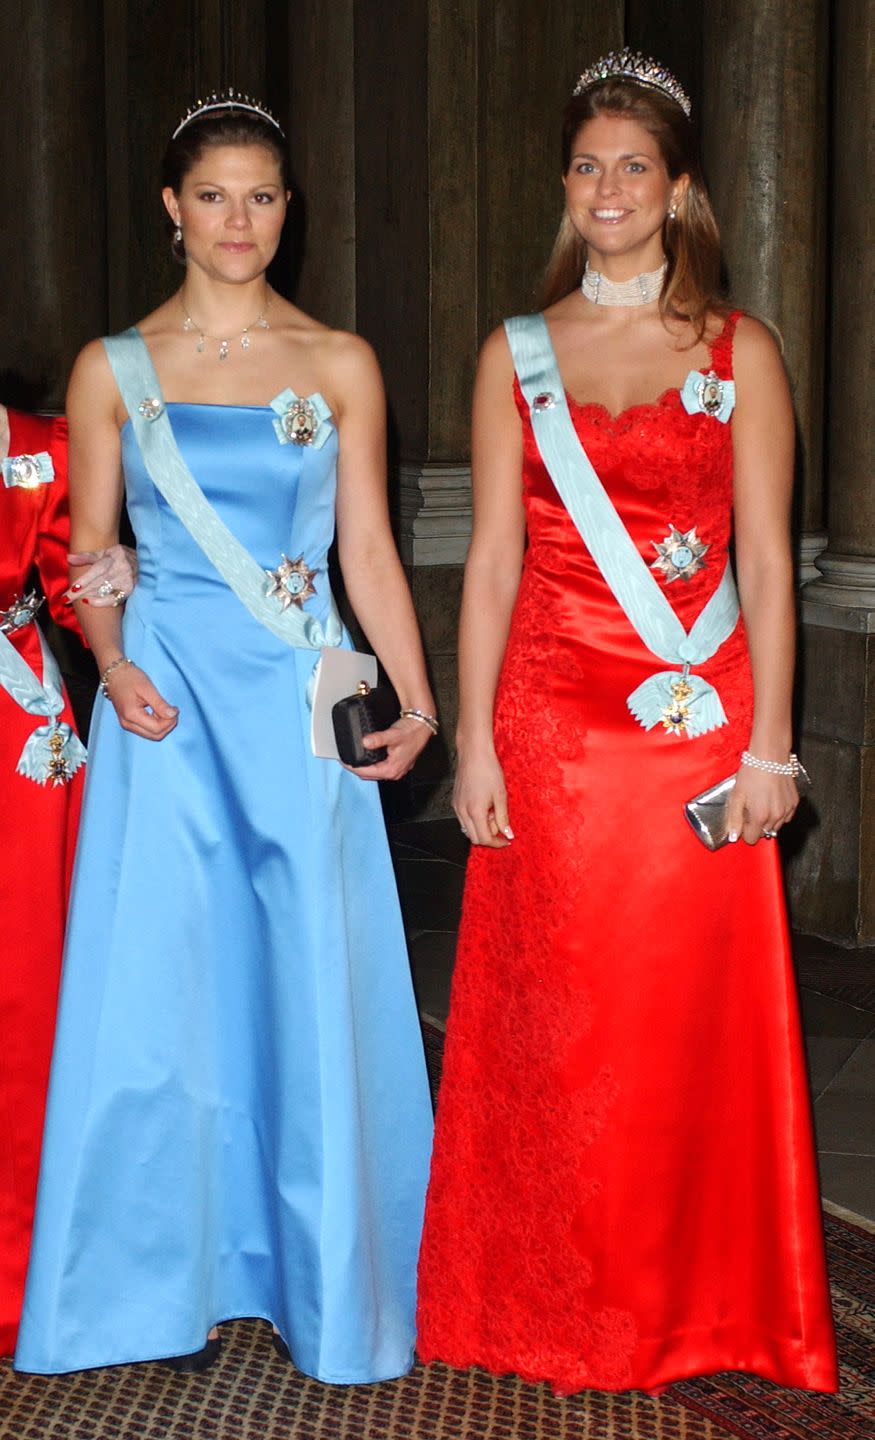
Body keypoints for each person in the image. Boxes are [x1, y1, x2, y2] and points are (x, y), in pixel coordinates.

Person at [416, 50, 838, 1395]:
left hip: (692, 732)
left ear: (678, 190)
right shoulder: (512, 352)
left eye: (634, 166)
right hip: (545, 721)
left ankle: (695, 1302)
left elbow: (765, 561)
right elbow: (489, 561)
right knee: (555, 1025)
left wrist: (772, 745)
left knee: (677, 1025)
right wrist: (473, 743)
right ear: (563, 186)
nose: (609, 187)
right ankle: (546, 1294)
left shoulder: (738, 348)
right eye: (588, 165)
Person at [15, 91, 435, 1382]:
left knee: (306, 975)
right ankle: (151, 1276)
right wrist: (112, 665)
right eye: (213, 195)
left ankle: (321, 1279)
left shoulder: (341, 360)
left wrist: (418, 705)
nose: (238, 219)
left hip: (296, 705)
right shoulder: (109, 368)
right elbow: (92, 557)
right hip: (172, 705)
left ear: (285, 211)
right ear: (171, 209)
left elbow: (364, 546)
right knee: (163, 984)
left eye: (261, 195)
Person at [0, 403, 134, 1353]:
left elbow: (80, 593)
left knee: (31, 996)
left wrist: (127, 584)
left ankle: (30, 1262)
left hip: (24, 752)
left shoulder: (41, 448)